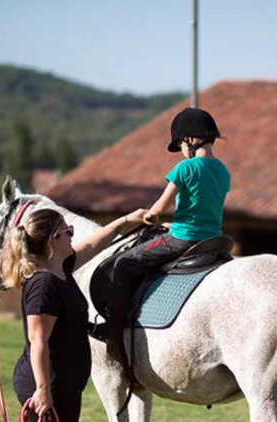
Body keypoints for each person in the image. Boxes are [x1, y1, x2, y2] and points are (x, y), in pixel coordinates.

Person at [0, 206, 146, 422]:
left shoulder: (62, 270)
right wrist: (43, 392)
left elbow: (94, 243)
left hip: (65, 386)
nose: (72, 234)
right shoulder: (43, 285)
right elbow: (37, 341)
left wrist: (127, 220)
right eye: (67, 231)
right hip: (47, 386)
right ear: (52, 241)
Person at [96, 107, 231, 344]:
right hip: (212, 239)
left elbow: (158, 208)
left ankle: (113, 331)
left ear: (189, 140)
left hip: (183, 238)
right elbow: (205, 207)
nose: (180, 151)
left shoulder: (185, 168)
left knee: (124, 264)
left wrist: (150, 217)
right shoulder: (223, 170)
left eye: (179, 144)